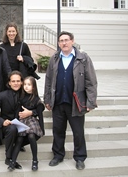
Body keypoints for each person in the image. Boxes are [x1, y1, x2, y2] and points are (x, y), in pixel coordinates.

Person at [44, 31, 98, 170]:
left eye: (66, 40)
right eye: (61, 41)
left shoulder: (83, 58)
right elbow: (48, 81)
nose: (64, 43)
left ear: (72, 41)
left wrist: (91, 102)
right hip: (58, 102)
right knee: (58, 131)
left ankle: (80, 158)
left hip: (76, 103)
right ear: (58, 43)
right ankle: (58, 155)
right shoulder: (55, 58)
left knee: (78, 132)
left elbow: (91, 81)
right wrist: (47, 99)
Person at [0, 70, 37, 170]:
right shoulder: (2, 95)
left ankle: (20, 148)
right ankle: (9, 158)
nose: (16, 83)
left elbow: (40, 107)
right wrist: (2, 121)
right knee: (13, 129)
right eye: (13, 81)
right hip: (8, 126)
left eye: (18, 81)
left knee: (34, 132)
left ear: (22, 82)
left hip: (25, 124)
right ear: (9, 83)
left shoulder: (27, 93)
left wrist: (31, 112)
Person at [8, 76, 45, 171]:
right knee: (19, 139)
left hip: (32, 121)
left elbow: (40, 113)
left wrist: (42, 129)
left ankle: (35, 161)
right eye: (24, 84)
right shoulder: (21, 97)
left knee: (31, 136)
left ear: (33, 87)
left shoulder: (36, 99)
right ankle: (12, 162)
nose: (26, 86)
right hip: (22, 121)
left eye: (29, 85)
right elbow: (17, 112)